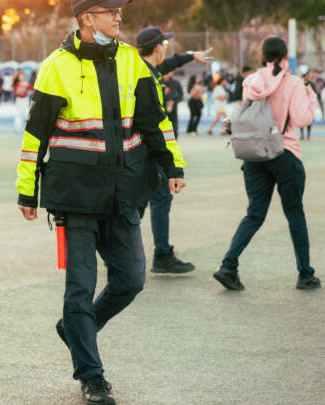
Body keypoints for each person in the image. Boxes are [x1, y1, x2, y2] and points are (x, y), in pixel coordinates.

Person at [15, 0, 185, 405]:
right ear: (86, 18)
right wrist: (27, 191)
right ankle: (92, 375)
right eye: (111, 11)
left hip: (124, 192)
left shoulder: (132, 62)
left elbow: (154, 121)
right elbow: (35, 134)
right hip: (74, 198)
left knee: (130, 279)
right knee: (79, 288)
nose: (119, 17)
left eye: (119, 11)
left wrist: (172, 165)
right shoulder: (55, 67)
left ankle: (76, 328)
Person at [213, 37, 320, 292]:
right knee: (295, 213)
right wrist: (311, 95)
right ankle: (305, 274)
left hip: (255, 155)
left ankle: (228, 265)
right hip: (284, 153)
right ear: (285, 58)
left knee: (254, 214)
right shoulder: (293, 82)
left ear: (263, 56)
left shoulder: (251, 81)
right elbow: (303, 119)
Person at [135, 26, 212, 274]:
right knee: (156, 198)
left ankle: (128, 250)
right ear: (157, 46)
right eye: (164, 44)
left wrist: (191, 54)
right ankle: (161, 254)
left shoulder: (143, 69)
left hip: (141, 148)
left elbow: (168, 64)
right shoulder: (144, 74)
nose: (165, 47)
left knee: (139, 202)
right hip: (146, 148)